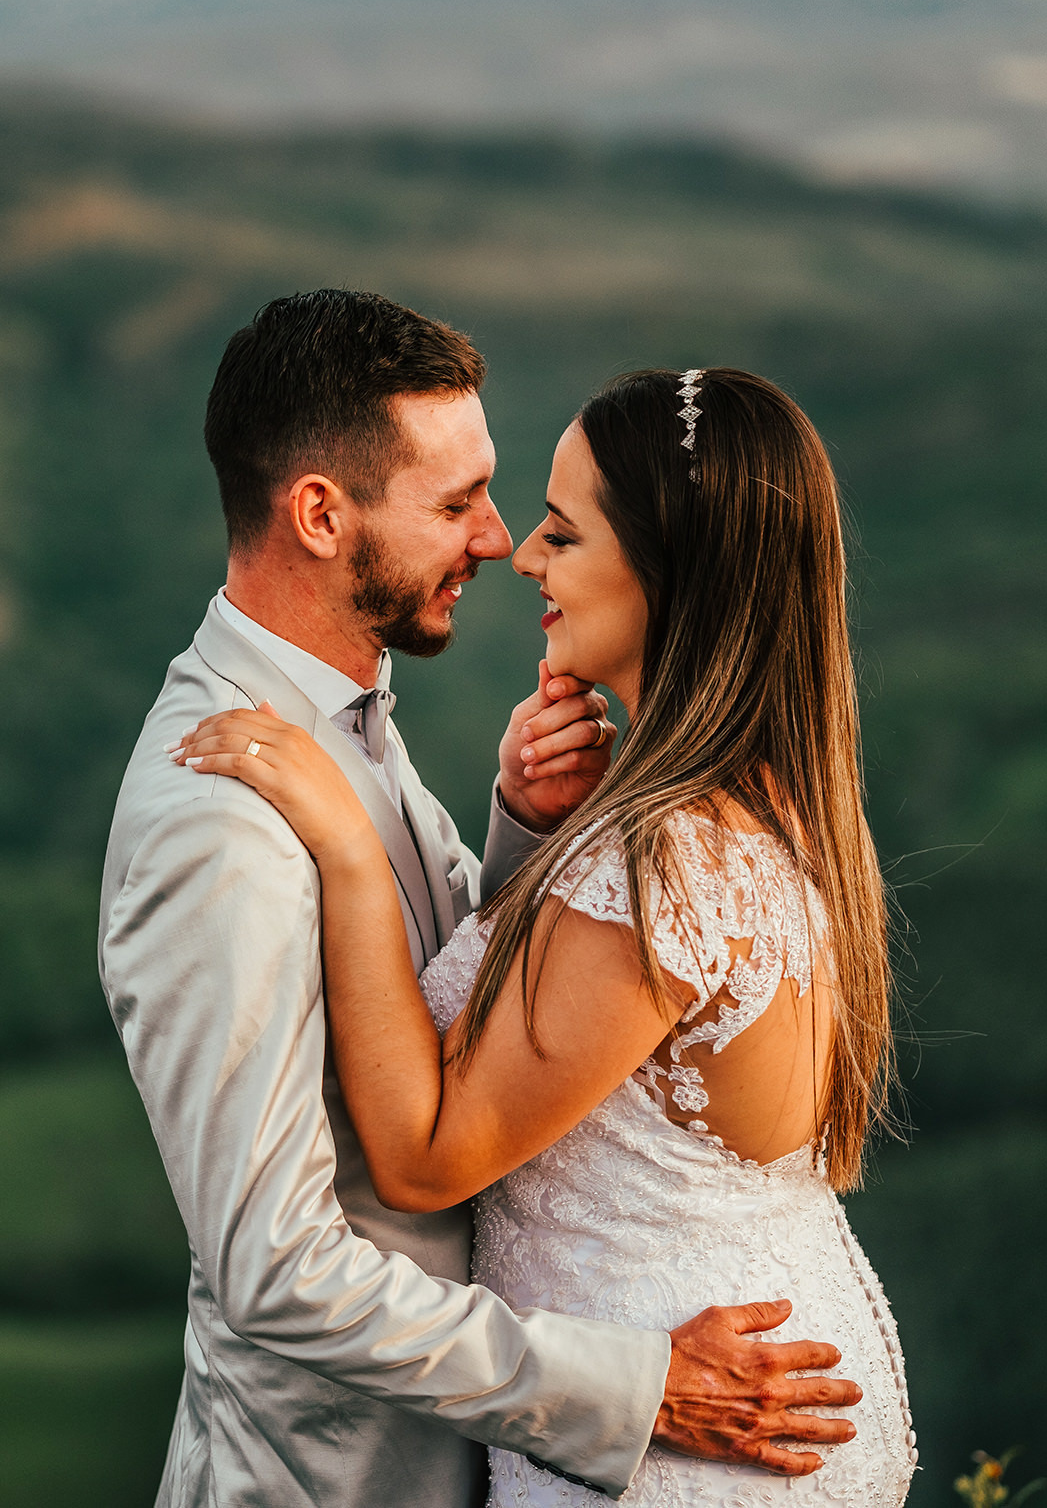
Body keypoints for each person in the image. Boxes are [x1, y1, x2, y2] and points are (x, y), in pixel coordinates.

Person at [100, 294, 862, 1508]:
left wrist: (517, 835)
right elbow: (276, 1273)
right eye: (454, 506)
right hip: (341, 1479)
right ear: (318, 514)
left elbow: (443, 995)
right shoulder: (221, 813)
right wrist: (628, 1390)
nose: (501, 540)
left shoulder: (347, 725)